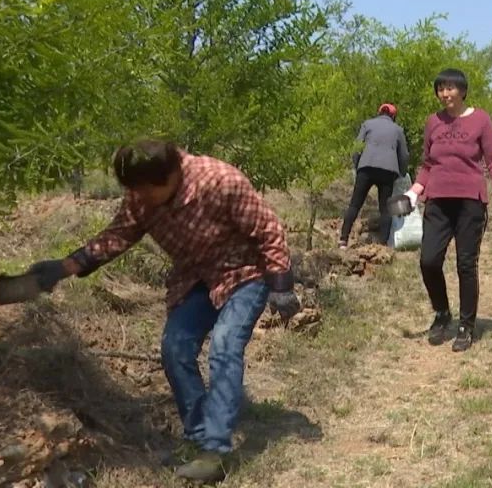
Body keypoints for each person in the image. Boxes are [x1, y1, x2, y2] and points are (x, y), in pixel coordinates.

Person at [25, 140, 300, 483]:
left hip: (244, 274)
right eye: (133, 191)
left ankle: (214, 451)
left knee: (226, 347)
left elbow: (269, 229)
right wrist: (65, 266)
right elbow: (118, 235)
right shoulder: (142, 195)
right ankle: (199, 438)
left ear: (172, 175)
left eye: (145, 190)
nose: (139, 198)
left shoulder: (220, 181)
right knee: (175, 348)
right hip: (194, 280)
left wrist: (282, 284)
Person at [404, 69, 492, 352]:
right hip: (437, 201)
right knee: (429, 260)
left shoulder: (480, 119)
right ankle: (441, 313)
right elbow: (427, 164)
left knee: (466, 264)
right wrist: (415, 191)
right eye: (441, 89)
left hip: (470, 202)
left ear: (463, 90)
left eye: (450, 88)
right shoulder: (433, 122)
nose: (445, 94)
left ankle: (466, 324)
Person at [339, 103, 410, 249]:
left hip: (366, 168)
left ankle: (343, 239)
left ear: (379, 113)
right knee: (385, 208)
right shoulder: (398, 130)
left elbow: (357, 147)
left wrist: (357, 166)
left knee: (355, 204)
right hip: (388, 171)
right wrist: (402, 173)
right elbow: (404, 155)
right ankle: (383, 245)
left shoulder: (367, 124)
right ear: (393, 116)